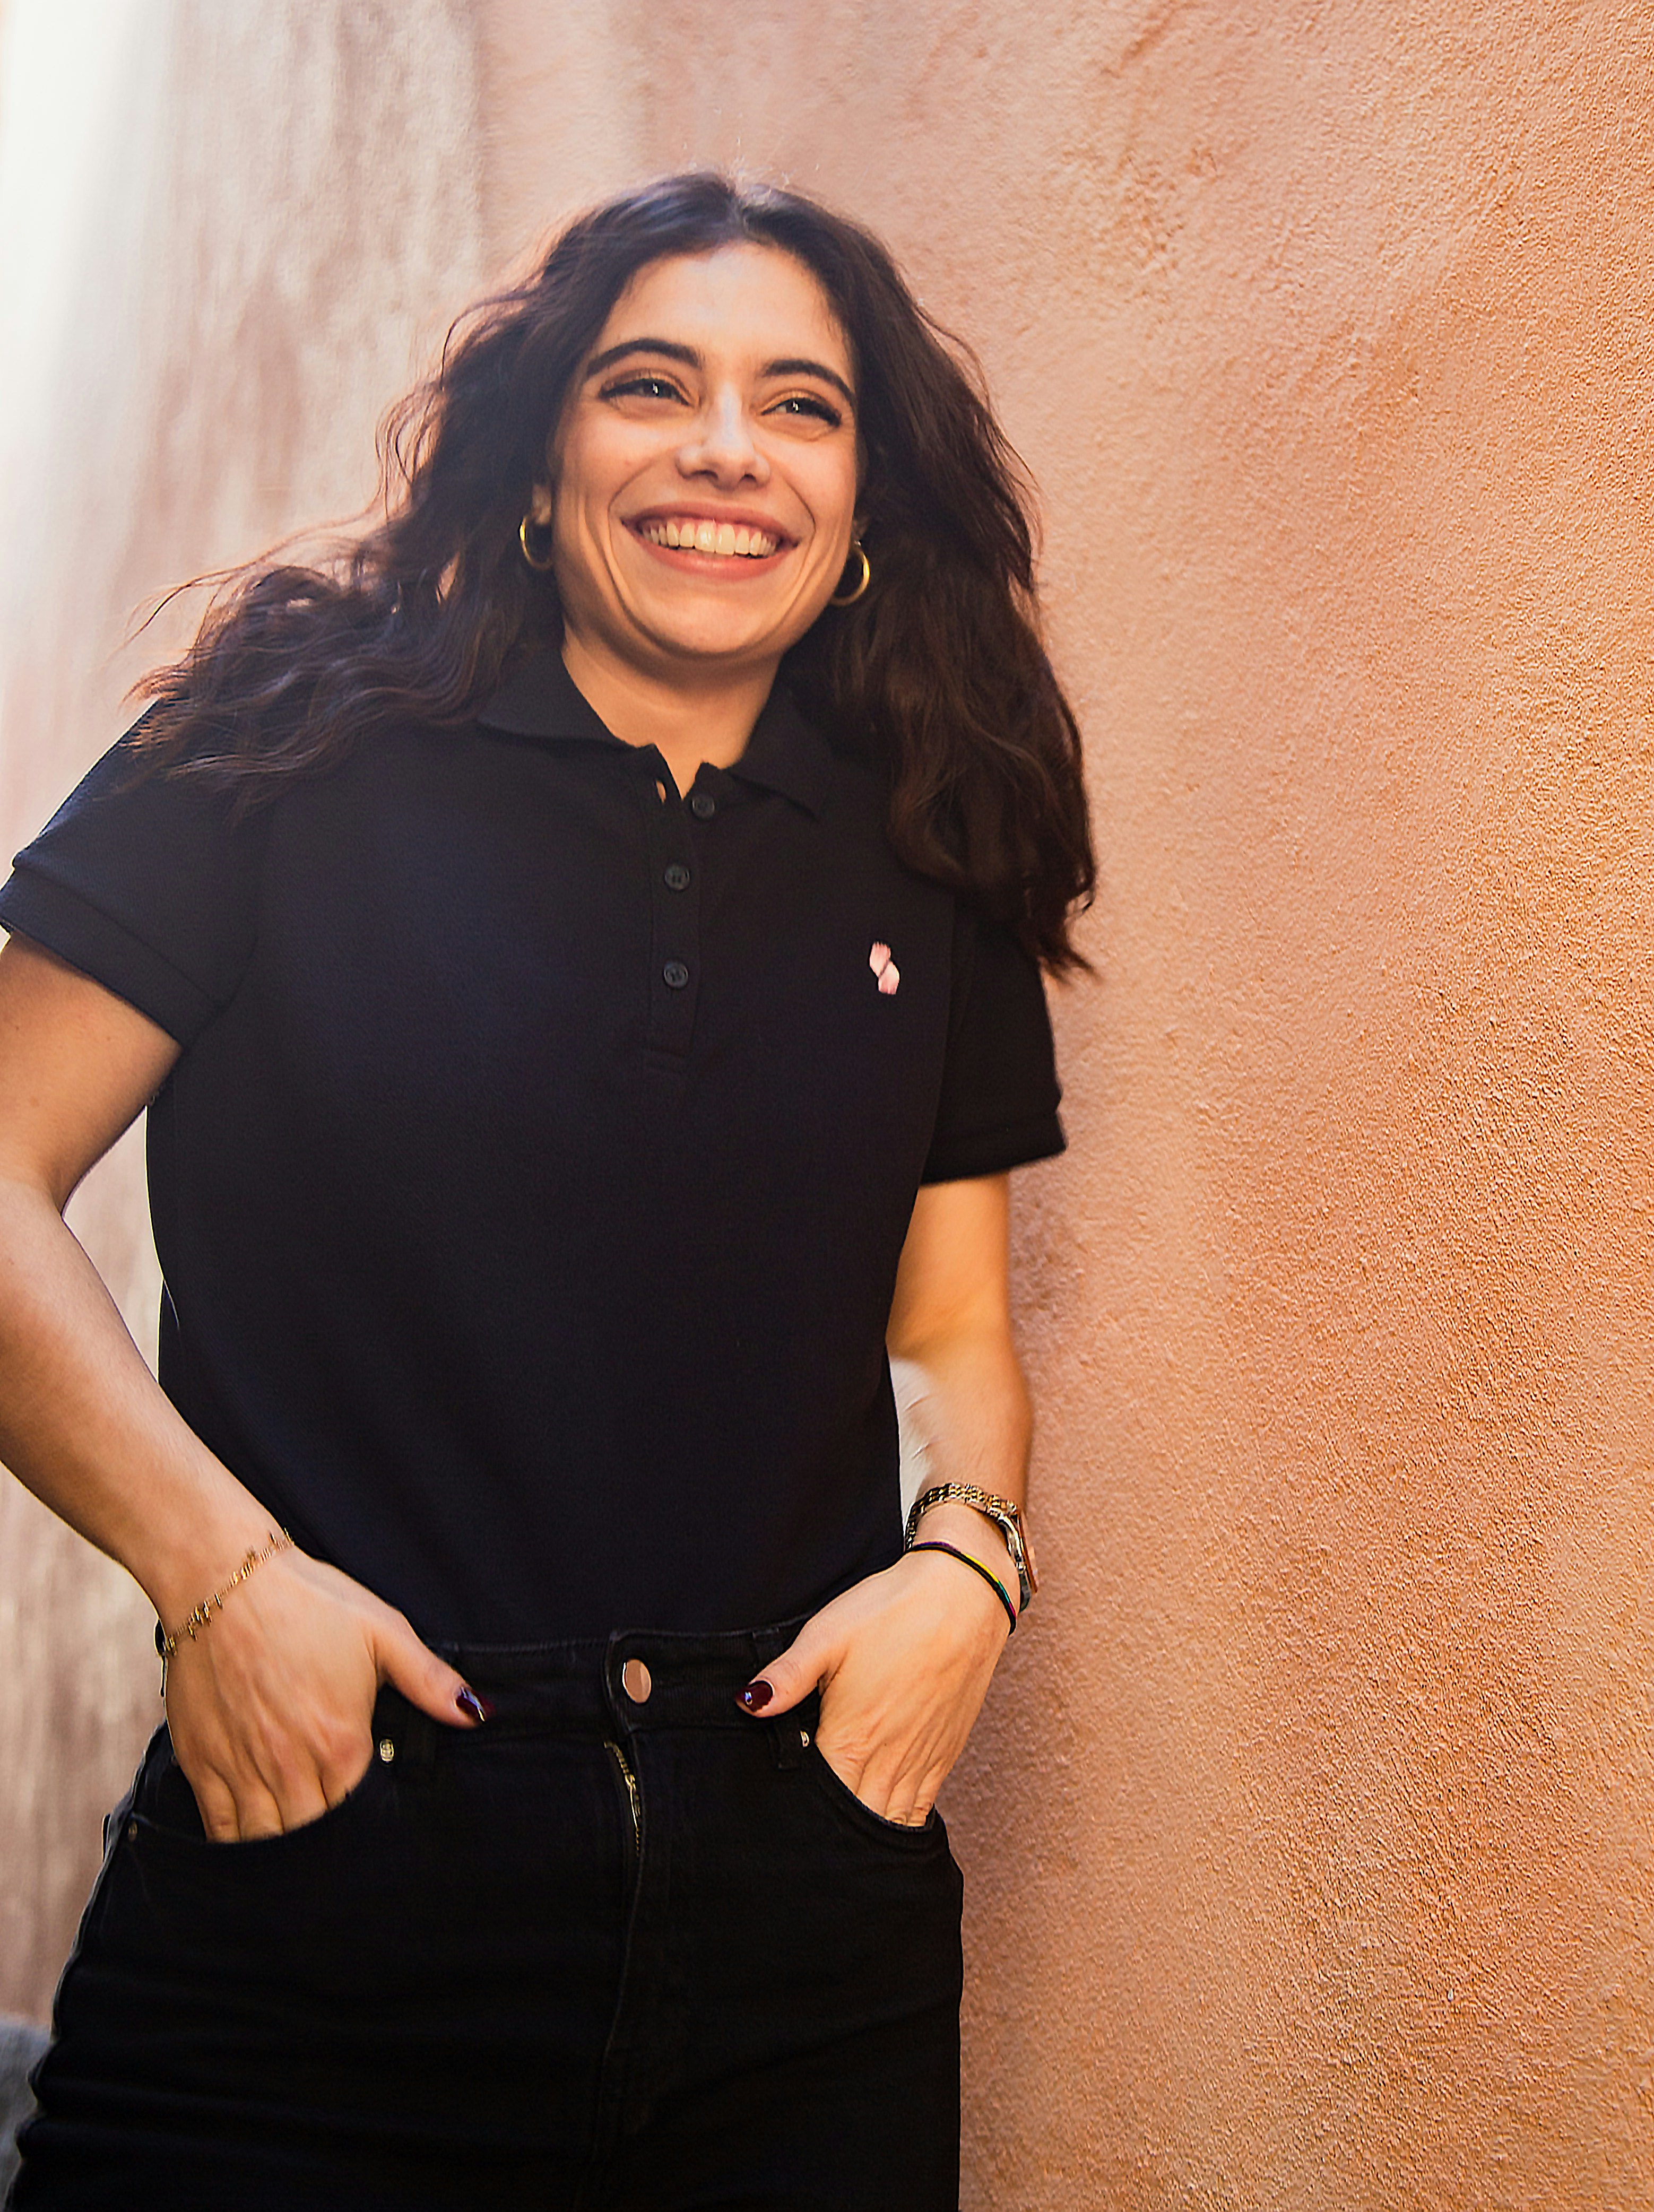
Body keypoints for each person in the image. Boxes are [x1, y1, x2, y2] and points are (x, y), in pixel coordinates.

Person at [0, 172, 1093, 2210]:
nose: (722, 452)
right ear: (540, 455)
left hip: (809, 1927)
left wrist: (968, 1565)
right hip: (328, 1859)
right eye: (649, 384)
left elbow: (944, 1329)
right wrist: (218, 1578)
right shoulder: (284, 747)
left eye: (802, 405)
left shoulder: (928, 842)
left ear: (861, 504)